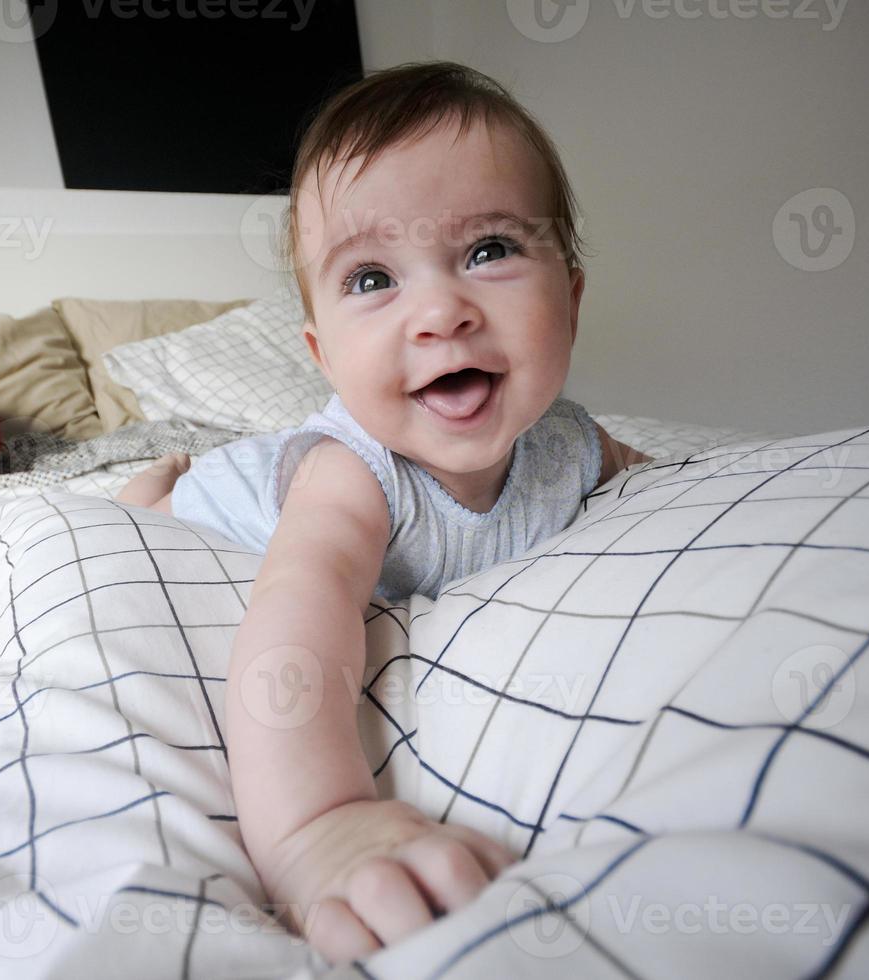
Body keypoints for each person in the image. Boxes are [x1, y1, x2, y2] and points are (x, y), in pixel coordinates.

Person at [116, 61, 652, 963]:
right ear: (325, 357)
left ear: (572, 295)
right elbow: (302, 612)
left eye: (490, 250)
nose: (442, 311)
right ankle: (157, 481)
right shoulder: (355, 475)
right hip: (238, 499)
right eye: (372, 278)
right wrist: (317, 826)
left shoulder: (572, 443)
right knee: (161, 507)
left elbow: (657, 478)